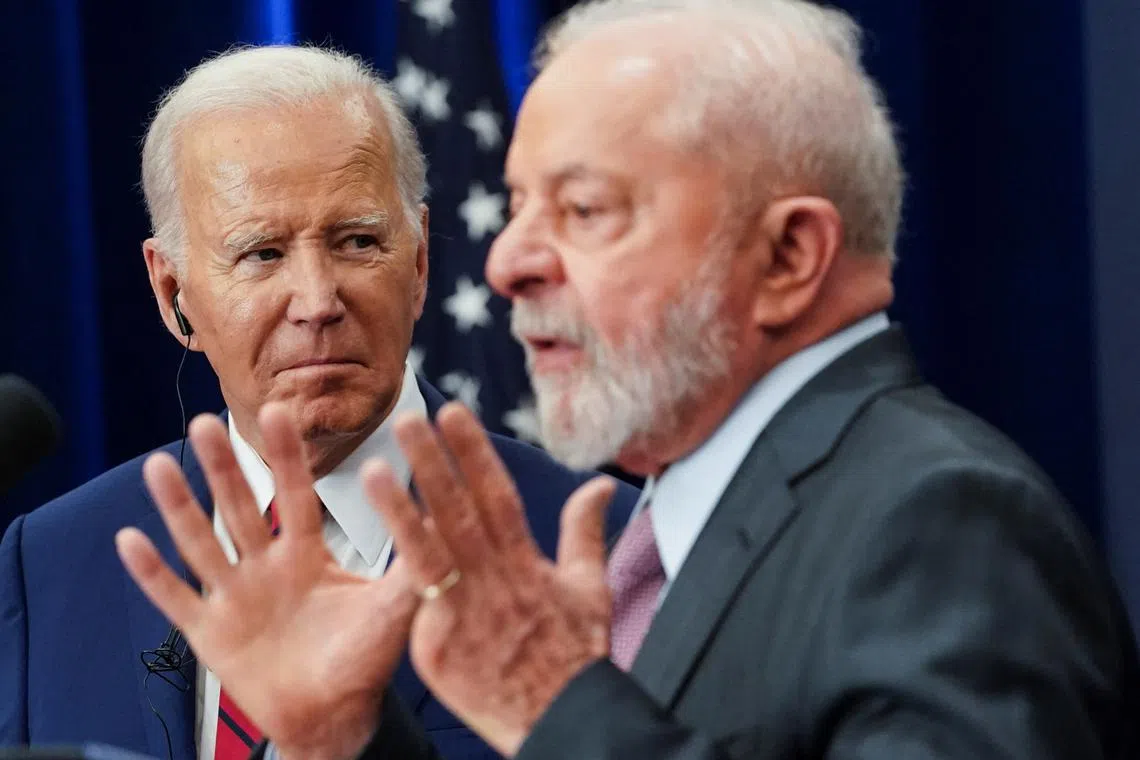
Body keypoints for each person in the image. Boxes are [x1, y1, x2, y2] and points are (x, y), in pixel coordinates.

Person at [115, 2, 1140, 759]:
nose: (509, 258)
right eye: (517, 205)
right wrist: (349, 737)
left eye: (585, 209)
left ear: (788, 257)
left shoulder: (942, 523)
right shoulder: (688, 525)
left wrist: (556, 704)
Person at [0, 45, 639, 760]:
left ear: (420, 261)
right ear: (172, 292)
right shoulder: (50, 561)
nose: (317, 302)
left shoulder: (606, 546)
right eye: (262, 254)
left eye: (358, 242)